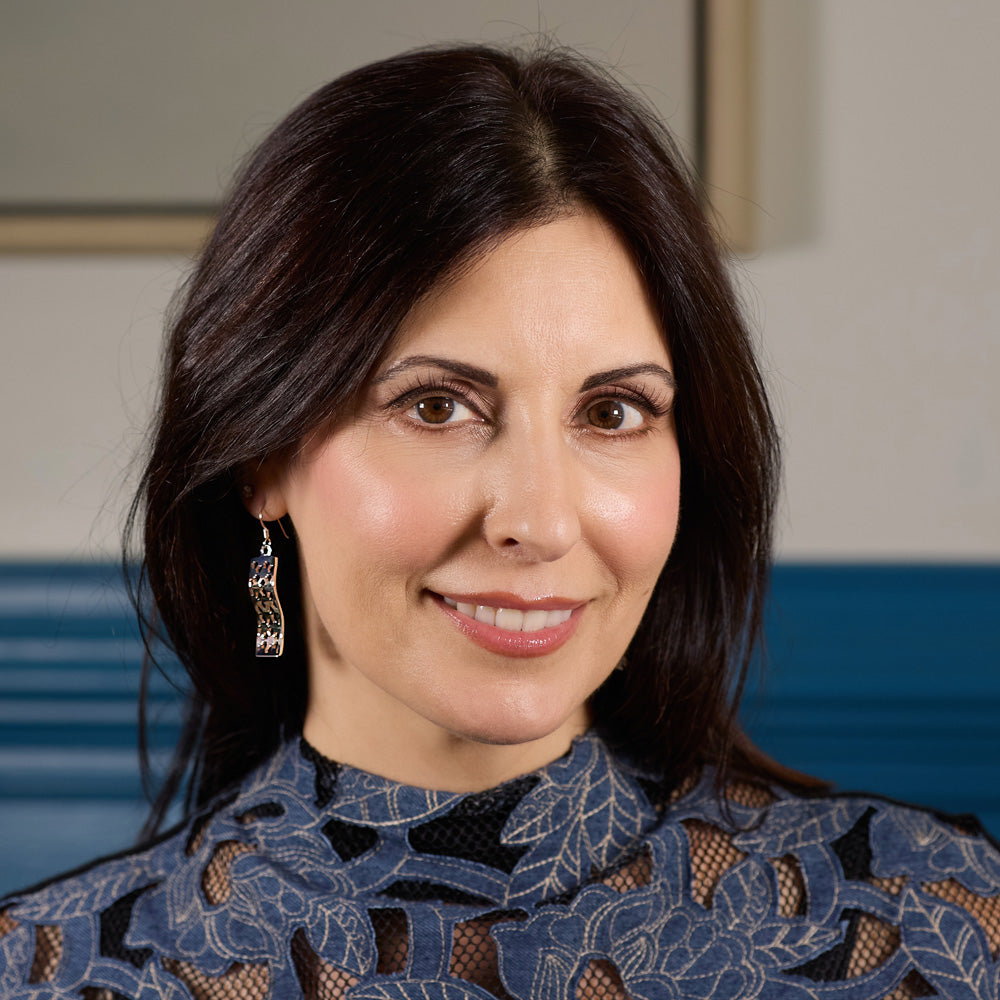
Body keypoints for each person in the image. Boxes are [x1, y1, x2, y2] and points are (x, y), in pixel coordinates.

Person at [2, 44, 998, 1000]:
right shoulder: (46, 972)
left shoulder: (933, 927)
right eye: (436, 406)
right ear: (263, 458)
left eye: (612, 413)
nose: (540, 520)